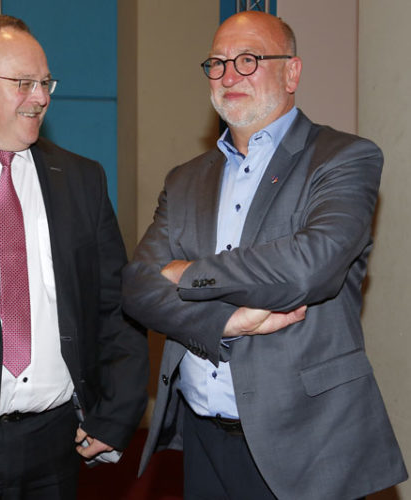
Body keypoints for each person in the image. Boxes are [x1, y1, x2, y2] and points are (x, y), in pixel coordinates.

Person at [122, 10, 407, 500]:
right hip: (202, 440)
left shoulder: (344, 158)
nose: (229, 75)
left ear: (292, 72)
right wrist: (226, 323)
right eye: (217, 63)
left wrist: (189, 273)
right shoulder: (185, 179)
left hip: (308, 444)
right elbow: (137, 287)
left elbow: (309, 267)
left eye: (249, 60)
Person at [0, 14, 148, 499]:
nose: (40, 97)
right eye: (23, 83)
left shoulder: (81, 179)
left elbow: (115, 307)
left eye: (45, 83)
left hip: (58, 447)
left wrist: (116, 412)